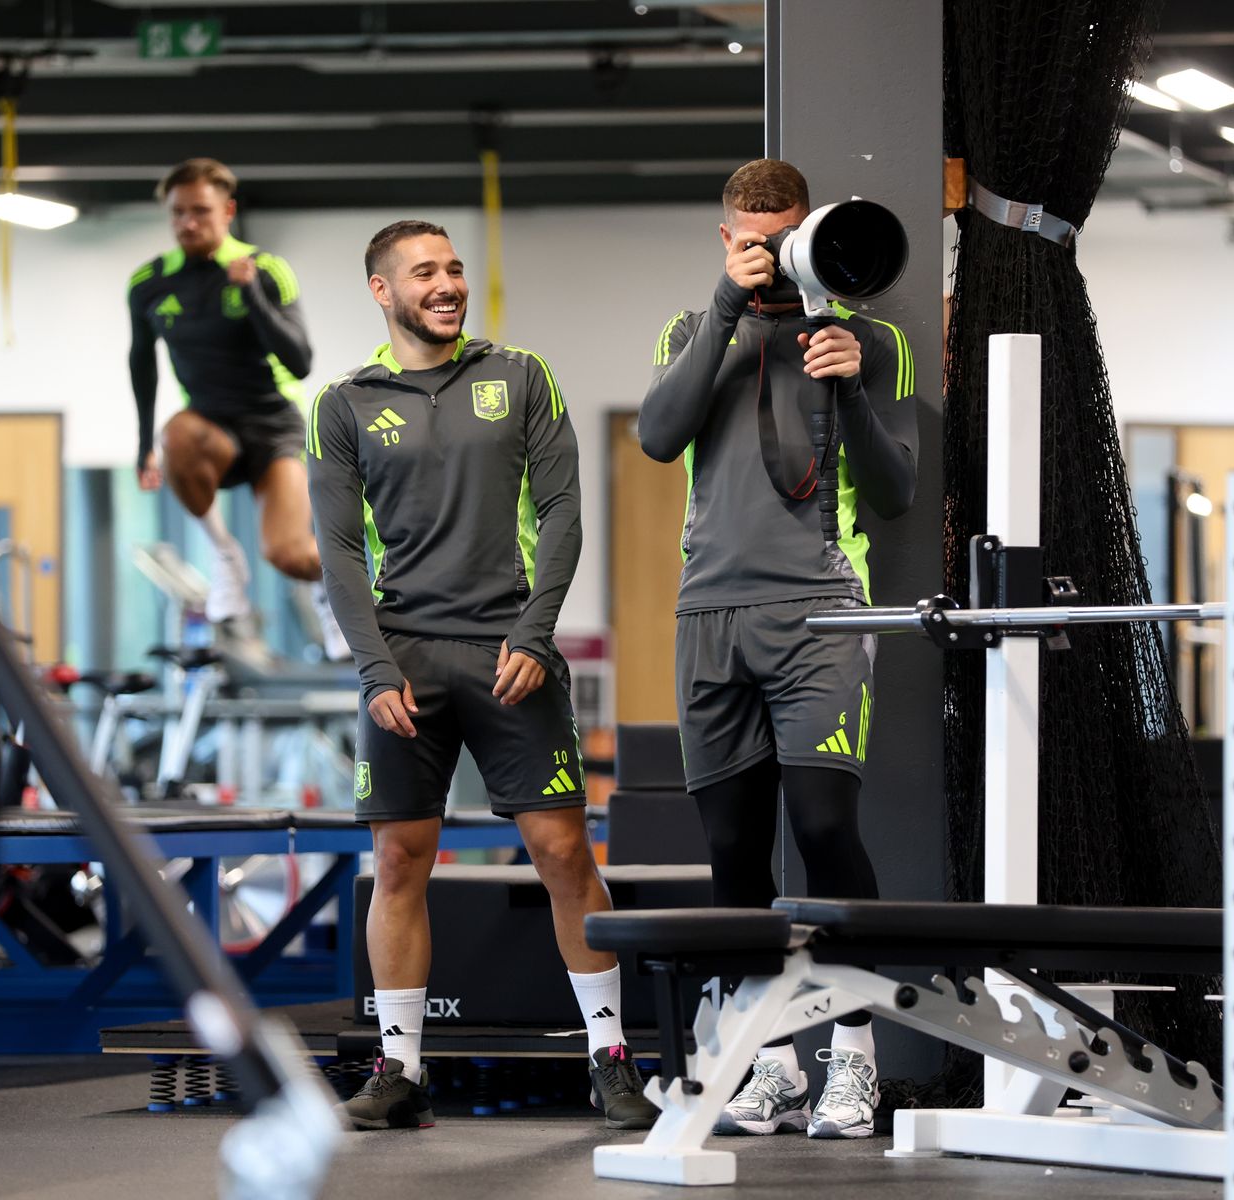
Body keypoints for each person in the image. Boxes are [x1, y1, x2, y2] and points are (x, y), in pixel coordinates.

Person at [309, 219, 656, 1132]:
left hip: (510, 650)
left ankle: (611, 1060)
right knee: (397, 862)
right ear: (382, 290)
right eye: (425, 272)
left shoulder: (522, 376)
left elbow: (564, 510)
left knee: (564, 852)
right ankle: (400, 1072)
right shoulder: (345, 403)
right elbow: (340, 550)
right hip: (403, 658)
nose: (447, 283)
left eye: (454, 267)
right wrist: (373, 664)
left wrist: (538, 635)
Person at [637, 159, 918, 1139]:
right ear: (728, 239)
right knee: (729, 849)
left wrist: (846, 392)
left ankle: (852, 1058)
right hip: (709, 613)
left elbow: (896, 491)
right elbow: (657, 438)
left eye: (788, 236)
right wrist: (726, 305)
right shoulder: (690, 330)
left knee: (826, 828)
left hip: (822, 613)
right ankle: (766, 1063)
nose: (771, 255)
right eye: (754, 240)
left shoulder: (870, 338)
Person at [126, 157, 344, 656]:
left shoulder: (266, 270)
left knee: (289, 553)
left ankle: (328, 591)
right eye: (178, 213)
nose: (187, 223)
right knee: (174, 434)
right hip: (212, 428)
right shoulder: (150, 283)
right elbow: (141, 362)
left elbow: (301, 359)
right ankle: (224, 554)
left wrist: (250, 295)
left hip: (275, 428)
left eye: (200, 212)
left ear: (227, 211)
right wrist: (143, 449)